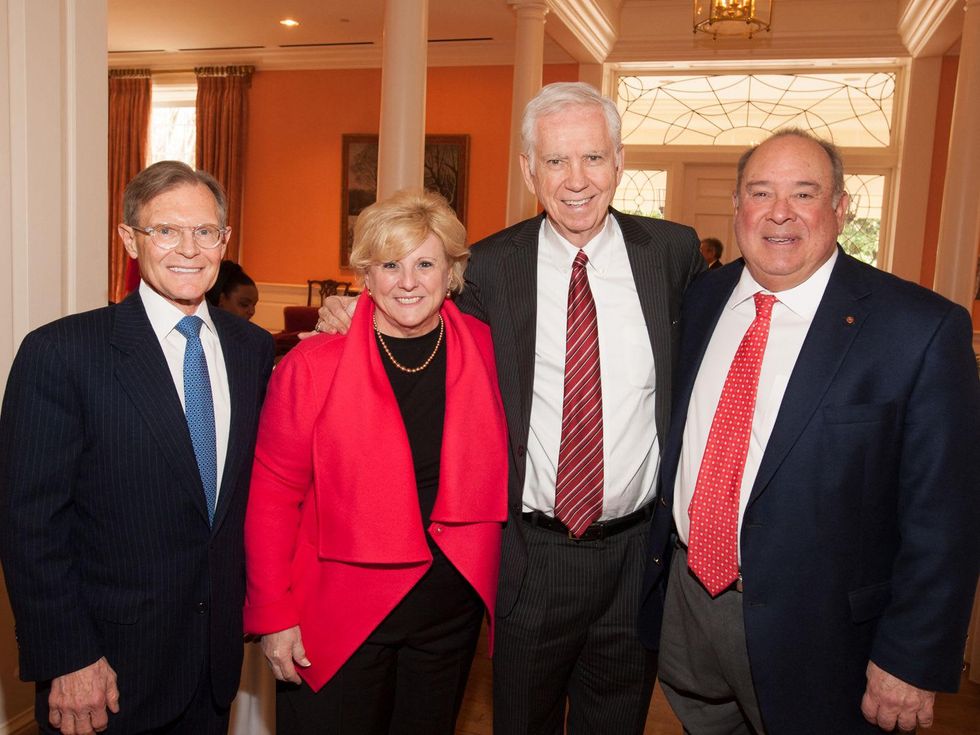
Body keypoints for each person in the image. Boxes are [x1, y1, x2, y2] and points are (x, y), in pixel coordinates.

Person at [317, 82, 704, 734]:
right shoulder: (492, 267)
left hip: (637, 555)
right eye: (555, 161)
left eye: (593, 158)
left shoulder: (672, 252)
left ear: (619, 161)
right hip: (530, 557)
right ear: (529, 169)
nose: (575, 179)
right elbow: (423, 320)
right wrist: (355, 313)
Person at [639, 129, 980, 734]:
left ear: (841, 208)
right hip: (689, 608)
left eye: (804, 193)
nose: (780, 213)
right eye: (761, 192)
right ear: (737, 206)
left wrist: (910, 656)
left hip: (824, 639)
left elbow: (946, 516)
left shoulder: (919, 329)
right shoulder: (700, 298)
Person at [0, 160, 275, 734]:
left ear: (225, 240)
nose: (189, 249)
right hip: (104, 672)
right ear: (130, 238)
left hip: (211, 666)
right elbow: (30, 526)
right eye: (165, 231)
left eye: (205, 232)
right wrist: (68, 657)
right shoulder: (62, 353)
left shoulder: (252, 350)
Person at [243, 188, 507, 735]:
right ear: (365, 273)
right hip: (338, 615)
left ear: (451, 271)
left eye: (425, 263)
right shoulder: (313, 364)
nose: (407, 282)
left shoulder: (485, 347)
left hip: (446, 616)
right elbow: (272, 497)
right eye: (390, 264)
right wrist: (273, 616)